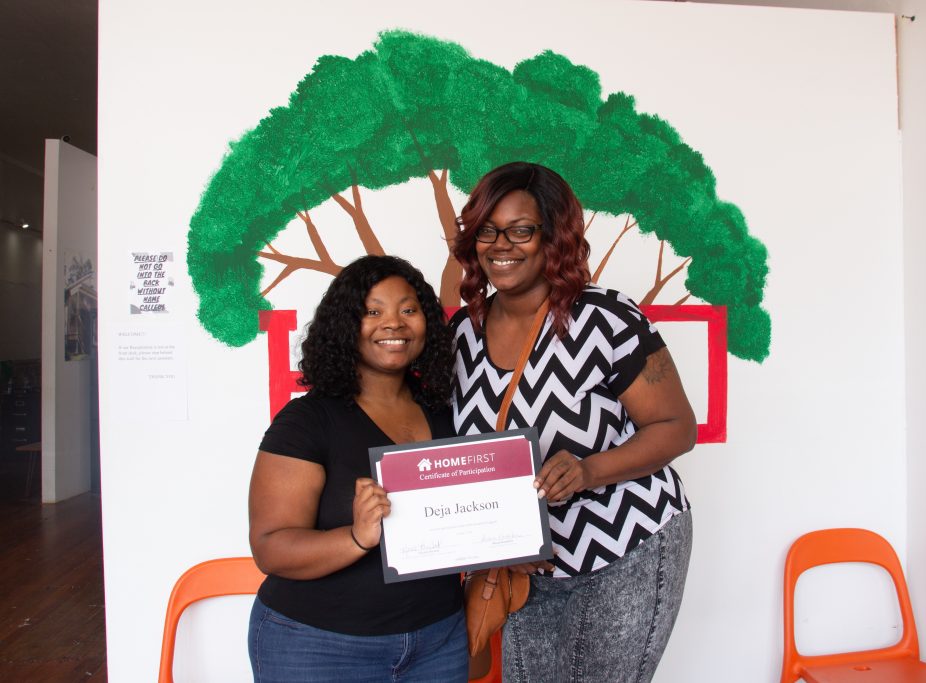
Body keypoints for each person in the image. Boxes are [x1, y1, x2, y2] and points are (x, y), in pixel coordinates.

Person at [450, 161, 698, 682]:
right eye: (487, 231)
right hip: (525, 567)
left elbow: (677, 426)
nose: (501, 245)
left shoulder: (606, 318)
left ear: (554, 237)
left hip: (622, 545)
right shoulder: (463, 332)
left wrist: (589, 471)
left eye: (521, 230)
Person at [247, 255, 467, 682]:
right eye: (372, 311)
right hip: (316, 644)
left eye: (408, 309)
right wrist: (356, 537)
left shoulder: (446, 414)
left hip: (438, 640)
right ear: (346, 325)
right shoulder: (307, 422)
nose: (394, 324)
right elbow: (269, 547)